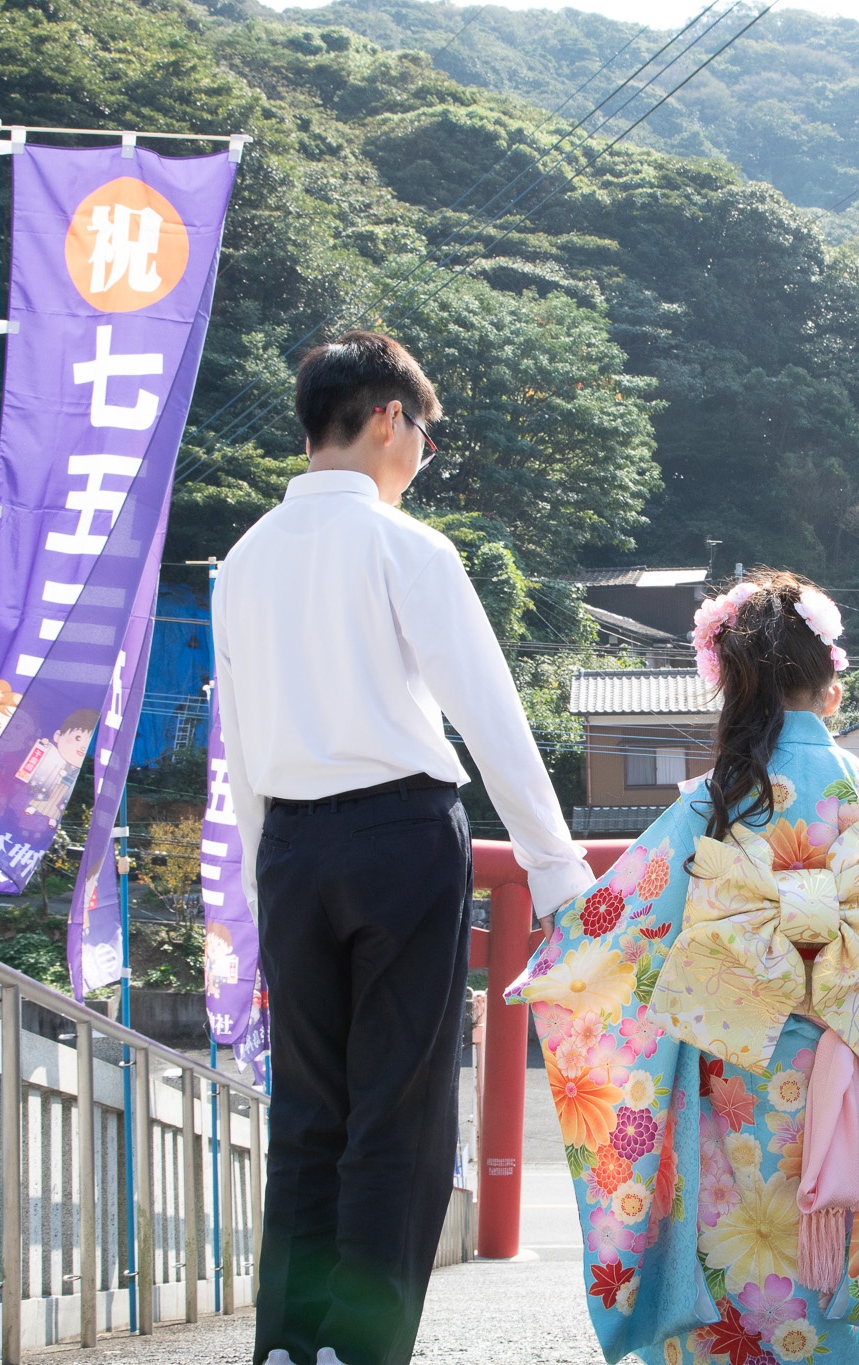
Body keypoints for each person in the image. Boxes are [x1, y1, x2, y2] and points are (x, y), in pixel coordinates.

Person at [504, 571, 859, 1365]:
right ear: (830, 686)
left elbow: (622, 930)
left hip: (729, 1085)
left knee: (729, 1252)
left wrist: (561, 962)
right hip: (842, 1082)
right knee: (821, 1259)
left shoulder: (707, 807)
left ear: (734, 687)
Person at [212, 331, 595, 1365]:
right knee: (399, 1107)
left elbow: (239, 743)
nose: (422, 455)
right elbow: (489, 716)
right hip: (400, 834)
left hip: (289, 847)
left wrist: (259, 877)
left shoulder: (242, 561)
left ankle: (288, 1345)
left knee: (307, 1111)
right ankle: (358, 1347)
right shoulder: (406, 546)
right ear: (388, 418)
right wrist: (556, 869)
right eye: (424, 434)